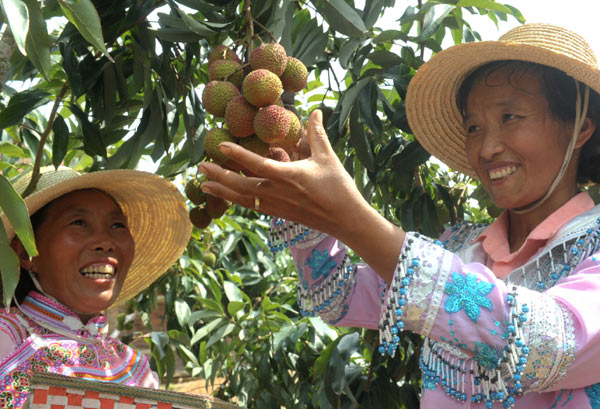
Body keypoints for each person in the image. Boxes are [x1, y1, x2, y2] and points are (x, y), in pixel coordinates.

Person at [196, 23, 600, 408]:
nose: (488, 146)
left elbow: (552, 344)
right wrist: (307, 212)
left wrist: (350, 217)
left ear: (580, 129)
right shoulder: (461, 246)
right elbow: (334, 297)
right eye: (473, 126)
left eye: (511, 117)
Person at [0, 166, 192, 409]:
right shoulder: (8, 336)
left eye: (117, 226)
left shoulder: (133, 367)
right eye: (79, 222)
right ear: (26, 252)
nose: (105, 242)